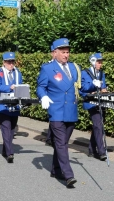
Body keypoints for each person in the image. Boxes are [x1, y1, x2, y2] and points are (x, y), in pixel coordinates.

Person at [36, 38, 81, 188]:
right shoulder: (47, 68)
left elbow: (78, 87)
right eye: (63, 52)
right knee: (61, 144)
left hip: (71, 111)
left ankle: (55, 169)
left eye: (67, 52)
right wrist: (44, 96)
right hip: (56, 111)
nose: (66, 55)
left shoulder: (74, 68)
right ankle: (68, 175)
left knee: (62, 143)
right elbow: (40, 87)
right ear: (54, 53)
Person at [0, 52, 23, 163]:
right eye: (8, 62)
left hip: (14, 104)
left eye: (12, 62)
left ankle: (5, 150)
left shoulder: (18, 73)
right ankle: (10, 153)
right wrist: (10, 87)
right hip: (2, 105)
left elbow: (20, 85)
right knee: (6, 128)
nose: (11, 64)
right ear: (4, 62)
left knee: (11, 129)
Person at [80, 53, 107, 161]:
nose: (101, 64)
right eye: (99, 62)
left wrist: (104, 89)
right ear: (93, 61)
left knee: (98, 125)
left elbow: (103, 86)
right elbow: (83, 88)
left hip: (100, 101)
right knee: (98, 125)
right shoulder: (84, 73)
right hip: (91, 102)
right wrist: (93, 84)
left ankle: (91, 149)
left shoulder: (101, 73)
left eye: (101, 62)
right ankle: (101, 152)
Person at [45, 45, 56, 147]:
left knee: (55, 118)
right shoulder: (47, 66)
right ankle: (50, 138)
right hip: (50, 95)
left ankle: (50, 137)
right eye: (53, 52)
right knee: (53, 117)